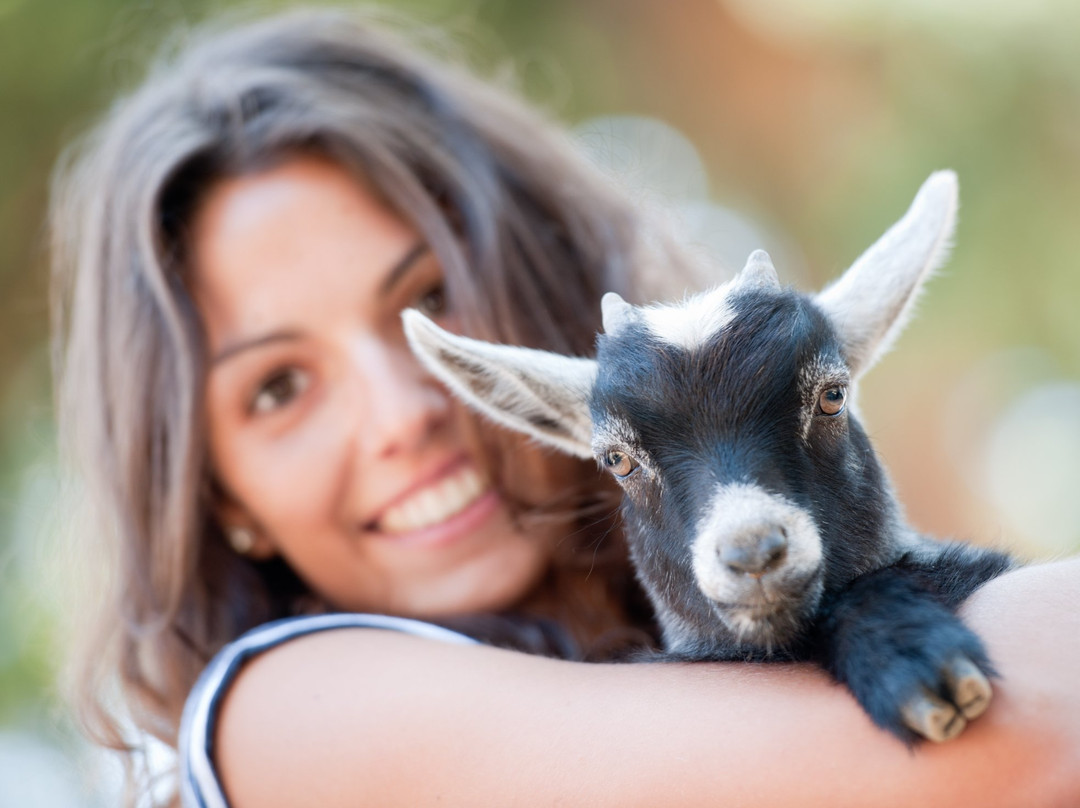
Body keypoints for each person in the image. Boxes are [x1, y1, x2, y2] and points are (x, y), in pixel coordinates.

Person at [50, 8, 1080, 808]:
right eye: (277, 388)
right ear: (217, 487)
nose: (399, 413)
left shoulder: (715, 630)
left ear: (544, 275)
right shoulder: (286, 711)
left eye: (429, 297)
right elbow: (1004, 755)